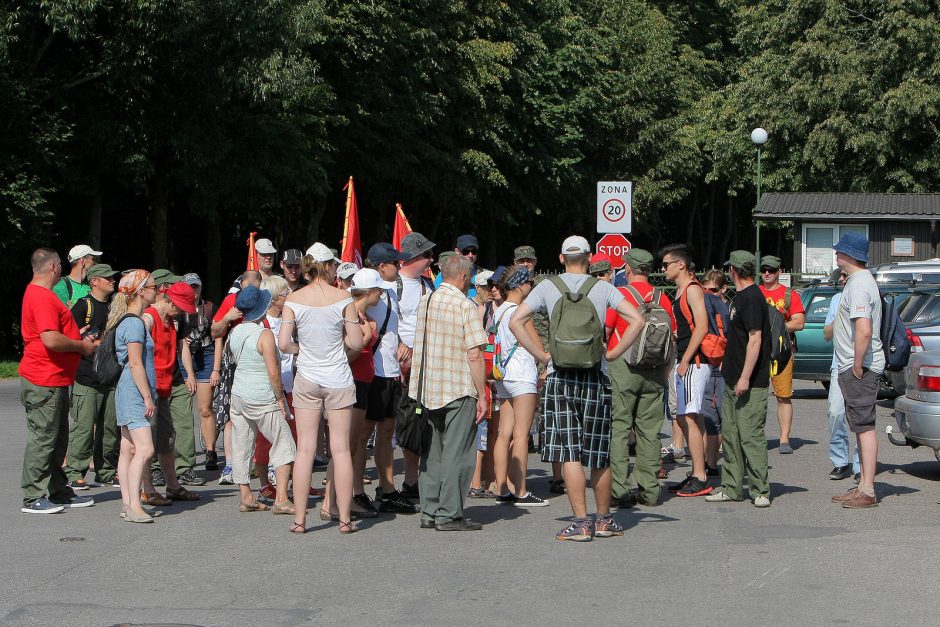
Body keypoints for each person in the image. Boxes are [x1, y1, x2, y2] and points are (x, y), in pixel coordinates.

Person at [510, 235, 645, 542]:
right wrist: (612, 352)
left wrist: (542, 355)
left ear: (561, 258)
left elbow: (516, 321)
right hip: (595, 374)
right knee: (598, 452)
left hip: (560, 376)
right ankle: (604, 520)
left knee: (570, 451)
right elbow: (637, 319)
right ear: (589, 256)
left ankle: (580, 524)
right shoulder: (603, 287)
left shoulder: (547, 287)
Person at [279, 243, 363, 534]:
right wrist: (336, 350)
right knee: (340, 450)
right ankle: (344, 520)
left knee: (305, 449)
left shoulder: (294, 298)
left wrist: (303, 349)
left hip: (308, 378)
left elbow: (283, 343)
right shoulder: (344, 298)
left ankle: (300, 520)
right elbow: (356, 342)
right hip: (338, 377)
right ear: (329, 267)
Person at [411, 255, 489, 530]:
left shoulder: (426, 301)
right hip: (458, 387)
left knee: (431, 453)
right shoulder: (464, 305)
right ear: (465, 277)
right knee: (458, 453)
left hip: (428, 388)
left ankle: (429, 511)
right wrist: (483, 393)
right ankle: (449, 514)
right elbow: (475, 354)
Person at [20, 248, 97, 514]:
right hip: (44, 378)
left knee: (57, 438)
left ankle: (59, 491)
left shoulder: (41, 294)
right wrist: (81, 346)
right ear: (54, 267)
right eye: (60, 266)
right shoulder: (42, 296)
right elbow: (50, 339)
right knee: (44, 438)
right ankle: (33, 497)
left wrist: (76, 336)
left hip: (52, 378)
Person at [606, 249, 676, 509]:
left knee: (620, 428)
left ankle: (619, 489)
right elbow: (673, 335)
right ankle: (649, 491)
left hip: (624, 367)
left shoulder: (621, 295)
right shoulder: (662, 297)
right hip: (655, 370)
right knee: (649, 431)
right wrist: (666, 371)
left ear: (628, 268)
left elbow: (607, 329)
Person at [705, 251, 772, 507]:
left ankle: (760, 490)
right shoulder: (740, 297)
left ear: (733, 270)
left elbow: (755, 339)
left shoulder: (752, 298)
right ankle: (732, 487)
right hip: (732, 378)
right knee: (731, 435)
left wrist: (745, 377)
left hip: (750, 382)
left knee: (750, 435)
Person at [322, 269, 388, 519]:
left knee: (349, 446)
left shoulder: (360, 314)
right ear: (369, 292)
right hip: (352, 382)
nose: (381, 294)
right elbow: (340, 357)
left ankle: (336, 501)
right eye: (379, 290)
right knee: (345, 447)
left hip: (362, 382)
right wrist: (367, 337)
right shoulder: (350, 315)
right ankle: (332, 503)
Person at [227, 286, 296, 514]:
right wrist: (280, 398)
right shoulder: (263, 334)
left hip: (238, 395)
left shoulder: (235, 332)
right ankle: (282, 499)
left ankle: (246, 496)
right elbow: (273, 371)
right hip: (262, 397)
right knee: (284, 442)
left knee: (242, 444)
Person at [361, 243, 418, 513]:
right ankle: (357, 491)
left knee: (385, 433)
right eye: (396, 263)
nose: (400, 266)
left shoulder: (391, 293)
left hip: (391, 371)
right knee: (363, 436)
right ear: (381, 266)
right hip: (374, 373)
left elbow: (391, 330)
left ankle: (386, 489)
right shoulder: (366, 294)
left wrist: (403, 344)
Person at [830, 233, 883, 508]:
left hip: (858, 366)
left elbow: (863, 330)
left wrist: (858, 364)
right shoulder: (858, 282)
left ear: (850, 255)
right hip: (853, 364)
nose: (836, 255)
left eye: (840, 252)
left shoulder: (860, 284)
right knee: (859, 426)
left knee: (864, 427)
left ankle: (868, 490)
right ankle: (863, 485)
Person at [138, 282, 201, 505]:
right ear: (170, 301)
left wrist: (188, 373)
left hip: (164, 388)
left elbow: (179, 349)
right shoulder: (148, 318)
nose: (183, 313)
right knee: (146, 442)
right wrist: (144, 392)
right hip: (148, 389)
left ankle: (172, 486)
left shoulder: (172, 321)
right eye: (181, 307)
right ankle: (148, 489)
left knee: (167, 438)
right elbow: (134, 354)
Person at [491, 265, 547, 506]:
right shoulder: (522, 312)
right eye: (529, 283)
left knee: (504, 434)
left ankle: (502, 487)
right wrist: (546, 359)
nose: (531, 287)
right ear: (521, 285)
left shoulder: (500, 310)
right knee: (522, 435)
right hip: (522, 374)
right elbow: (537, 346)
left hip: (503, 375)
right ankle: (522, 491)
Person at [660, 244, 713, 498]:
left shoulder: (692, 290)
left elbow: (702, 327)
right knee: (688, 418)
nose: (663, 269)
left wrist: (685, 359)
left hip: (695, 362)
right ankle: (696, 472)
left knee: (690, 418)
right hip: (687, 361)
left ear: (681, 264)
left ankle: (700, 476)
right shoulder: (682, 290)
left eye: (666, 264)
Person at [64, 263, 121, 489]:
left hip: (110, 377)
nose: (112, 281)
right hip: (86, 377)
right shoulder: (82, 306)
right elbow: (69, 338)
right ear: (94, 281)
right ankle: (75, 472)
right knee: (84, 427)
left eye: (113, 277)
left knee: (109, 428)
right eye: (107, 278)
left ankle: (105, 471)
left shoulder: (116, 307)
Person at [110, 270, 161, 522]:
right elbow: (135, 363)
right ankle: (133, 505)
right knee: (145, 449)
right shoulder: (133, 322)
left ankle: (126, 503)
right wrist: (147, 397)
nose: (157, 290)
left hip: (128, 391)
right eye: (153, 286)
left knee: (127, 449)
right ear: (141, 291)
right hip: (133, 392)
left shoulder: (131, 320)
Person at [393, 232, 437, 504]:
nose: (431, 259)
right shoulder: (392, 285)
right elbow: (386, 322)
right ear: (411, 258)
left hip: (422, 366)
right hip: (396, 367)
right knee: (401, 426)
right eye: (426, 255)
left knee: (418, 424)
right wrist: (399, 346)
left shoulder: (427, 286)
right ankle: (398, 485)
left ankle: (413, 482)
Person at [209, 270, 262, 477]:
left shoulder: (265, 299)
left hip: (258, 359)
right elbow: (215, 332)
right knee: (232, 413)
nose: (250, 295)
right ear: (241, 286)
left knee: (260, 413)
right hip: (234, 363)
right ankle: (230, 464)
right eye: (247, 290)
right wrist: (228, 317)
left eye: (254, 290)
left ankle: (258, 462)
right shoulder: (232, 299)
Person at [758, 255, 805, 454]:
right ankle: (755, 439)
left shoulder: (789, 295)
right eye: (764, 270)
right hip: (758, 352)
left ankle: (784, 439)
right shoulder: (755, 292)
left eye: (771, 270)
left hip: (782, 353)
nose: (767, 273)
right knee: (755, 396)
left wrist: (776, 329)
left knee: (783, 397)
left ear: (779, 272)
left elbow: (799, 322)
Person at [178, 273, 218, 484]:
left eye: (196, 287)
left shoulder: (208, 308)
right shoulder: (177, 309)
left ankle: (210, 451)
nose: (193, 291)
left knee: (205, 408)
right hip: (184, 355)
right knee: (183, 409)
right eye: (189, 287)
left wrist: (216, 368)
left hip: (206, 354)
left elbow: (218, 336)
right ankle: (184, 454)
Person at [823, 269, 860, 481]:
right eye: (842, 277)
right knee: (835, 412)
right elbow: (827, 335)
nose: (843, 279)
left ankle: (860, 465)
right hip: (839, 365)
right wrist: (840, 317)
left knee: (860, 417)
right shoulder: (837, 299)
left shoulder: (865, 295)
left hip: (862, 365)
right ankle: (840, 461)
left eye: (846, 275)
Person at [700, 269, 729, 475]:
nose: (709, 294)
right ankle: (710, 465)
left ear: (724, 289)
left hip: (724, 370)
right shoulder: (701, 309)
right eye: (705, 290)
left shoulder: (728, 310)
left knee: (725, 419)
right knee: (709, 420)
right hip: (707, 368)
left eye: (714, 290)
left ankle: (730, 465)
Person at [433, 234, 482, 298]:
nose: (470, 255)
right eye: (466, 251)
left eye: (474, 251)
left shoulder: (483, 274)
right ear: (457, 251)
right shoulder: (445, 274)